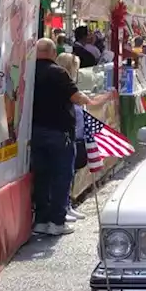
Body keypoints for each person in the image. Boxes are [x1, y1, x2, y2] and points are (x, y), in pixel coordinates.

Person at [30, 39, 116, 236]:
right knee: (62, 176)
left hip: (36, 131)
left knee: (42, 177)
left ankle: (41, 220)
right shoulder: (57, 72)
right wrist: (97, 99)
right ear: (53, 53)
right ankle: (57, 222)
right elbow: (77, 98)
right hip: (59, 132)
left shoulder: (29, 70)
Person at [55, 52, 89, 223]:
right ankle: (63, 208)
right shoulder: (63, 84)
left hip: (75, 135)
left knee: (70, 174)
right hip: (67, 135)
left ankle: (68, 205)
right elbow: (81, 100)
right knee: (63, 175)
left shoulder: (69, 84)